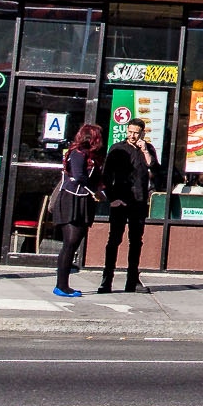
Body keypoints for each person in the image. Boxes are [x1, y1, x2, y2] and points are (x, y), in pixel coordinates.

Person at [99, 119, 159, 294]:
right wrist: (112, 198)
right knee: (114, 241)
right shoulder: (118, 148)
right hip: (120, 200)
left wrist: (145, 150)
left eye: (136, 133)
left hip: (139, 201)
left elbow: (154, 168)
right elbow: (106, 175)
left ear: (142, 134)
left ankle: (132, 280)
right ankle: (106, 280)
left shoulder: (147, 149)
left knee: (136, 241)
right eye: (130, 132)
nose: (132, 136)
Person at [53, 123, 103, 298]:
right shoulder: (78, 153)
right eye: (99, 136)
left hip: (82, 200)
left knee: (72, 243)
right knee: (70, 243)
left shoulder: (91, 155)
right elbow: (79, 176)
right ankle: (61, 285)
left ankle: (63, 284)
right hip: (72, 199)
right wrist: (96, 191)